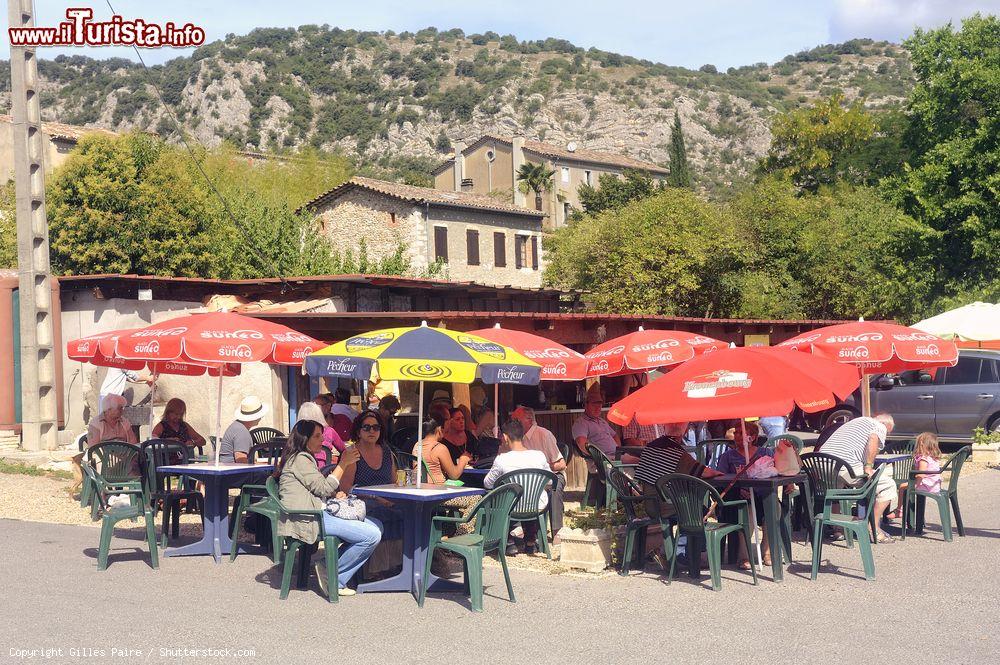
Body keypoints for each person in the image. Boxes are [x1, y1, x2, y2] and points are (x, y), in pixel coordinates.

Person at [275, 419, 382, 597]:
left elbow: (315, 488)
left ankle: (328, 566)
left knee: (376, 524)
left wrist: (334, 495)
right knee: (372, 535)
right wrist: (343, 463)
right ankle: (335, 576)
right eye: (317, 436)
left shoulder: (303, 457)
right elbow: (323, 487)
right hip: (309, 517)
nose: (322, 440)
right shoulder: (300, 459)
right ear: (305, 439)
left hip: (317, 511)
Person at [819, 413, 898, 543]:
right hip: (844, 465)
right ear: (885, 425)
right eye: (887, 433)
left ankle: (838, 530)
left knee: (836, 490)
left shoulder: (855, 422)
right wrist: (868, 466)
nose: (885, 436)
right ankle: (873, 529)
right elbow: (873, 438)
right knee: (888, 485)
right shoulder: (878, 426)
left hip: (820, 463)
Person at [484, 419, 550, 554]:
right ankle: (531, 540)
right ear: (523, 435)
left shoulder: (502, 459)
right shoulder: (539, 455)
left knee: (498, 497)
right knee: (530, 496)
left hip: (511, 507)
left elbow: (488, 483)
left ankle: (508, 541)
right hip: (537, 505)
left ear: (505, 437)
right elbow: (549, 481)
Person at [716, 421, 774, 568]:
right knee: (746, 512)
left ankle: (766, 550)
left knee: (774, 509)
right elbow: (720, 480)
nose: (737, 436)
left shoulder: (765, 453)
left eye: (742, 433)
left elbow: (777, 471)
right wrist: (737, 489)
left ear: (753, 437)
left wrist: (789, 484)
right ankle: (744, 555)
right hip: (738, 499)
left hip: (762, 496)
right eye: (736, 433)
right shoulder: (727, 457)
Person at [511, 405, 567, 541]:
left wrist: (540, 466)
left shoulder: (544, 434)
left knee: (555, 486)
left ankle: (557, 530)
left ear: (529, 420)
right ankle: (520, 526)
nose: (514, 424)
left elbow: (561, 464)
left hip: (551, 474)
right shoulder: (516, 437)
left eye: (516, 420)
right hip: (527, 478)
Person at [572, 387, 620, 506]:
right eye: (594, 404)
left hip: (616, 457)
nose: (598, 407)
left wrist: (618, 450)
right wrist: (599, 458)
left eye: (600, 404)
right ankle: (635, 497)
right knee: (637, 462)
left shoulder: (601, 421)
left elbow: (615, 435)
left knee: (642, 459)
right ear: (586, 405)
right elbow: (581, 443)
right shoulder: (581, 422)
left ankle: (636, 495)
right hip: (601, 462)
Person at [339, 411, 396, 491]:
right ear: (358, 432)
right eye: (366, 427)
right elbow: (345, 488)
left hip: (388, 499)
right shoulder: (351, 453)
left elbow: (394, 482)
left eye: (376, 427)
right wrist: (374, 497)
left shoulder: (386, 451)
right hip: (361, 501)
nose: (372, 431)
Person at [412, 414, 472, 484]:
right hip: (438, 489)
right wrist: (463, 460)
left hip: (420, 486)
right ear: (439, 429)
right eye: (445, 429)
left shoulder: (417, 445)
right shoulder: (439, 448)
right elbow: (454, 475)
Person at [218, 396, 266, 463]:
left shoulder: (237, 426)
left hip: (229, 468)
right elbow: (241, 461)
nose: (261, 418)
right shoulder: (241, 431)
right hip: (234, 471)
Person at [296, 401, 345, 467]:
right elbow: (343, 449)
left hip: (299, 467)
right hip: (323, 469)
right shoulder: (329, 431)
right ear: (319, 414)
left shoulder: (297, 432)